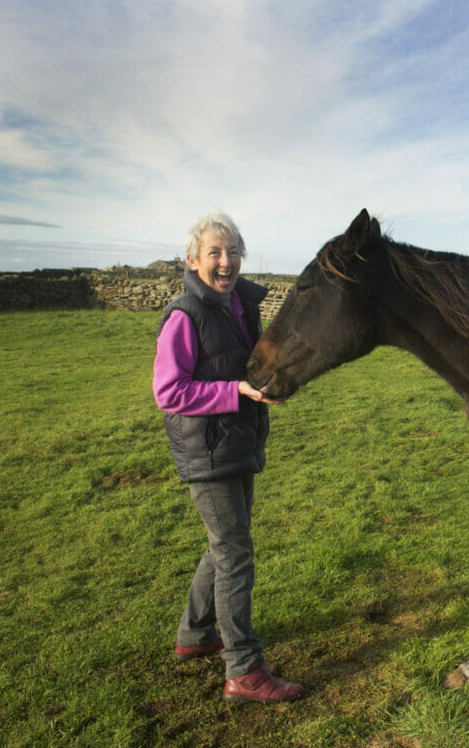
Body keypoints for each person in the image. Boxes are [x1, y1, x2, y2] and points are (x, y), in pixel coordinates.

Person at [153, 211, 304, 704]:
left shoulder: (242, 304)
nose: (226, 261)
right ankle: (242, 669)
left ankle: (196, 635)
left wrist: (263, 388)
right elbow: (169, 391)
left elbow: (249, 367)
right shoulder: (184, 315)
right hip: (209, 448)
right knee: (235, 552)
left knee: (225, 543)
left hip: (239, 441)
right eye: (215, 252)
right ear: (192, 259)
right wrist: (236, 392)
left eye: (234, 251)